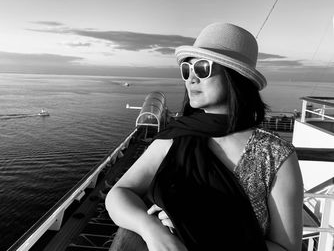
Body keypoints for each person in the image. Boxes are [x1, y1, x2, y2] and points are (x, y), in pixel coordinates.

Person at [105, 23, 303, 251]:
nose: (190, 79)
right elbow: (119, 193)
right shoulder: (175, 138)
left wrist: (203, 232)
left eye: (202, 68)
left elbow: (287, 248)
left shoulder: (275, 155)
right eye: (187, 69)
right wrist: (153, 231)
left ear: (236, 77)